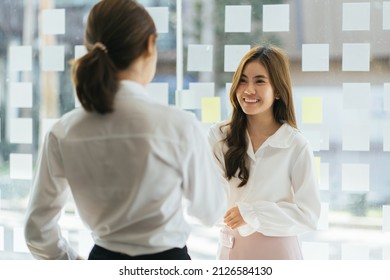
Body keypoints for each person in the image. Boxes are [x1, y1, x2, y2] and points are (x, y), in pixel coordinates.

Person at [24, 0, 228, 260]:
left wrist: (73, 263)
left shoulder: (63, 132)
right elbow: (210, 210)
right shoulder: (179, 125)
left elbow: (38, 231)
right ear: (150, 46)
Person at [208, 45, 321, 260]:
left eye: (259, 81)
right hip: (231, 253)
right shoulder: (219, 137)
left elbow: (309, 215)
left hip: (279, 254)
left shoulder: (295, 145)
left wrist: (252, 213)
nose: (248, 89)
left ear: (278, 90)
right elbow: (211, 201)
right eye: (242, 80)